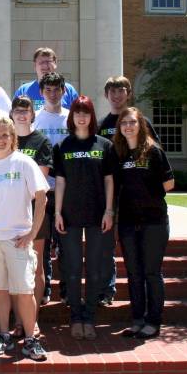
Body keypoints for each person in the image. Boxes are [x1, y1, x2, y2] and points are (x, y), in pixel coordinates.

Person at [0, 116, 49, 361]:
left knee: (24, 291)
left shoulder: (24, 163)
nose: (1, 140)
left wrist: (32, 233)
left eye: (6, 135)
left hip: (18, 239)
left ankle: (31, 339)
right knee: (0, 290)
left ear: (13, 138)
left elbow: (41, 197)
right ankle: (4, 335)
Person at [53, 96, 116, 341]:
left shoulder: (104, 146)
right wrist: (57, 212)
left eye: (86, 113)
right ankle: (76, 317)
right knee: (72, 268)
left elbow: (110, 179)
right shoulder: (63, 146)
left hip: (97, 215)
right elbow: (60, 181)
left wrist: (109, 210)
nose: (81, 117)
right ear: (72, 117)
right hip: (69, 215)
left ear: (91, 117)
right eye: (78, 113)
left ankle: (89, 316)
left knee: (94, 269)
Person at [96, 76, 161, 307]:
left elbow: (157, 159)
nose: (116, 95)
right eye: (112, 91)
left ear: (129, 93)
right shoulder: (102, 124)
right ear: (106, 95)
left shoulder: (141, 122)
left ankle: (146, 305)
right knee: (107, 244)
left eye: (121, 90)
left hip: (140, 200)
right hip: (112, 194)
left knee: (142, 252)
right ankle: (107, 288)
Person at [113, 107, 174, 339]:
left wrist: (147, 195)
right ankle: (138, 319)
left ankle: (153, 321)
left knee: (151, 272)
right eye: (124, 123)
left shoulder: (153, 151)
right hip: (128, 223)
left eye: (132, 122)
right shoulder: (119, 153)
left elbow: (169, 183)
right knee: (134, 273)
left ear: (140, 124)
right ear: (120, 127)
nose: (128, 126)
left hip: (154, 222)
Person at [9, 96, 53, 337]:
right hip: (10, 214)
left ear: (32, 115)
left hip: (35, 212)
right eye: (17, 111)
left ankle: (32, 320)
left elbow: (41, 180)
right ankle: (18, 320)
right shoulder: (6, 140)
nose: (22, 114)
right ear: (12, 114)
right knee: (15, 269)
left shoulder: (41, 141)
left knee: (35, 269)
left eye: (26, 111)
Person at [32, 71, 70, 305]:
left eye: (57, 89)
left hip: (66, 190)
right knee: (42, 244)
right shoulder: (35, 118)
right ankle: (43, 290)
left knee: (66, 243)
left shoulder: (71, 118)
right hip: (41, 191)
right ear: (41, 92)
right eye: (48, 90)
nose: (53, 93)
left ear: (63, 91)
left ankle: (66, 290)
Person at [14, 47, 79, 112]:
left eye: (48, 62)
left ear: (55, 63)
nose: (45, 66)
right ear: (34, 65)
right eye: (41, 62)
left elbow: (77, 115)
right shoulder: (23, 91)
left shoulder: (69, 90)